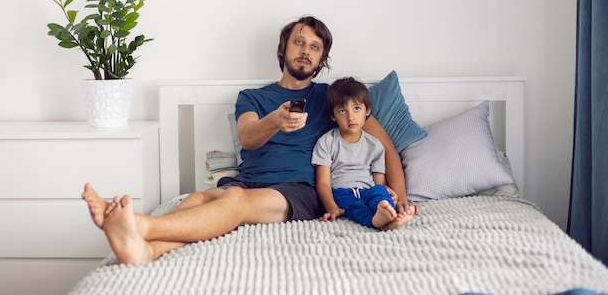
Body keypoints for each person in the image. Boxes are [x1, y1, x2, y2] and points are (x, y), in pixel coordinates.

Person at [82, 15, 417, 265]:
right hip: (250, 179)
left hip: (297, 189)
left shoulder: (333, 99)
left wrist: (398, 198)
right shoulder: (253, 97)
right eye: (299, 42)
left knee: (235, 203)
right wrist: (276, 119)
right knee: (199, 199)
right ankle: (147, 249)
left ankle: (138, 225)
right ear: (283, 48)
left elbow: (386, 148)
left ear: (321, 59)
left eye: (315, 47)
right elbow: (248, 137)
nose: (306, 51)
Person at [312, 77, 415, 230]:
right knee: (354, 207)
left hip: (368, 189)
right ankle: (376, 221)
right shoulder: (327, 142)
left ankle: (386, 212)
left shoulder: (375, 145)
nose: (350, 117)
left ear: (367, 110)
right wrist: (331, 207)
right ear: (333, 116)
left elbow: (379, 182)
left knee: (379, 193)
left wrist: (389, 193)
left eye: (356, 108)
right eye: (342, 111)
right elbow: (323, 183)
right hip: (341, 191)